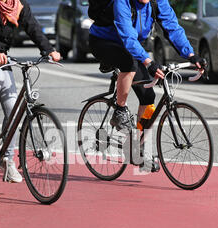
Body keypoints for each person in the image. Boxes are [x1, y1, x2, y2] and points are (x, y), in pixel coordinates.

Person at [88, 0, 205, 172]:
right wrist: (149, 62)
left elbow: (172, 27)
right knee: (129, 64)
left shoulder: (158, 2)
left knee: (148, 96)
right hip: (104, 42)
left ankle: (135, 148)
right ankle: (120, 110)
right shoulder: (122, 2)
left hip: (133, 46)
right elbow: (127, 36)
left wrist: (191, 55)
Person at [0, 0, 61, 183]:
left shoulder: (18, 5)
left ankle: (8, 161)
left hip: (0, 58)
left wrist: (48, 50)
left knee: (13, 109)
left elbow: (33, 27)